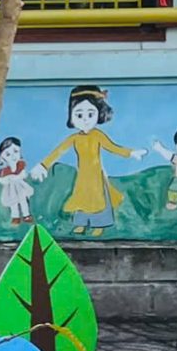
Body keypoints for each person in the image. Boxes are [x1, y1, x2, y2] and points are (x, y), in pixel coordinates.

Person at [44, 86, 138, 238]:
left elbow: (112, 147)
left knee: (99, 200)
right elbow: (58, 151)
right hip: (83, 177)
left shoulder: (98, 135)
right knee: (81, 198)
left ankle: (99, 225)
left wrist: (131, 153)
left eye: (90, 114)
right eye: (79, 115)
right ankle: (81, 224)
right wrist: (43, 165)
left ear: (99, 114)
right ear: (71, 116)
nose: (85, 119)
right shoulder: (74, 138)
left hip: (96, 176)